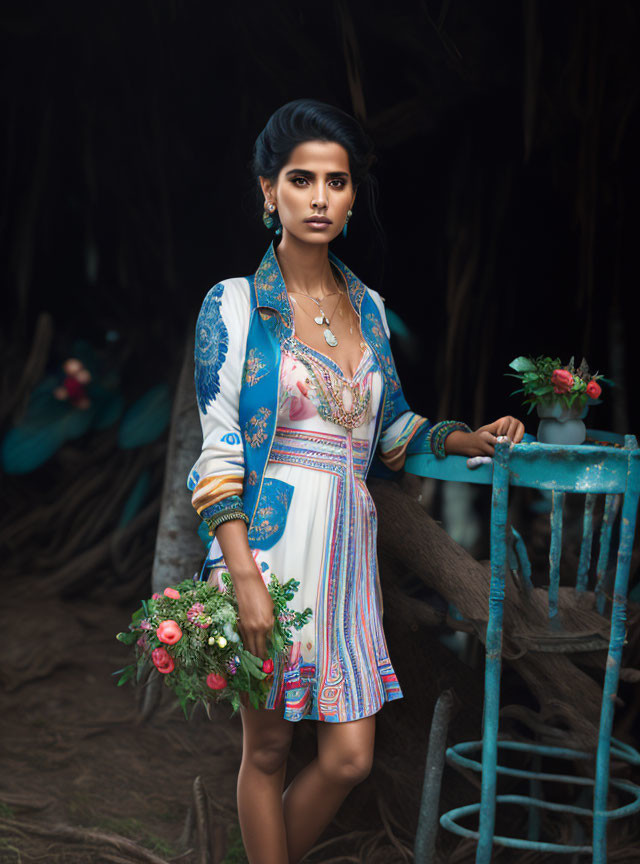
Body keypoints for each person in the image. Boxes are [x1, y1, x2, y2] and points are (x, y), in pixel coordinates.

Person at [188, 99, 525, 864]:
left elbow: (393, 432)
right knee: (268, 749)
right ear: (267, 190)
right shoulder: (233, 307)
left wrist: (470, 436)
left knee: (348, 759)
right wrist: (241, 576)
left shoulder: (369, 310)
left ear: (350, 195)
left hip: (346, 562)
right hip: (269, 552)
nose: (319, 198)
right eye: (300, 179)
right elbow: (216, 457)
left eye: (335, 183)